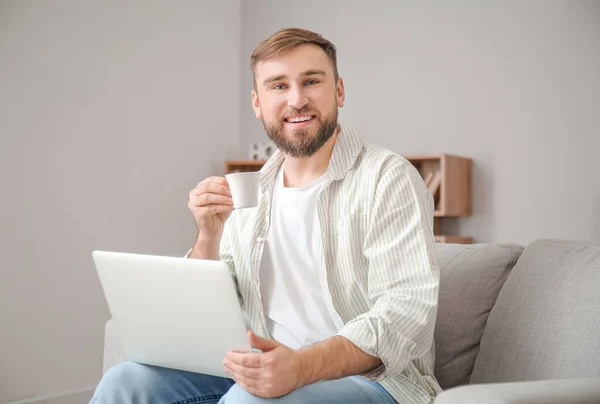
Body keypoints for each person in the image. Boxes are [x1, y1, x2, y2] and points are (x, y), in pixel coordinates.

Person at [91, 28, 441, 404]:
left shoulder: (388, 178)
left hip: (374, 382)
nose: (297, 99)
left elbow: (406, 313)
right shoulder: (250, 193)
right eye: (278, 86)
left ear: (339, 90)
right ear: (258, 103)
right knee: (125, 382)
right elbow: (214, 313)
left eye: (311, 81)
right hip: (261, 370)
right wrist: (207, 236)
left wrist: (301, 367)